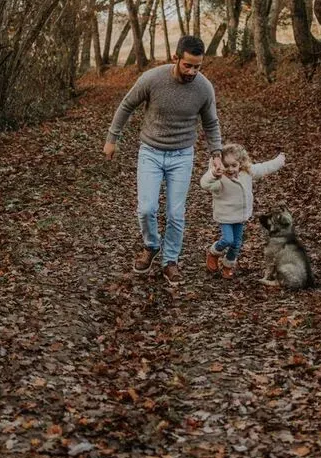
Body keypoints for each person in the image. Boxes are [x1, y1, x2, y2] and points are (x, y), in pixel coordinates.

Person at [103, 35, 223, 285]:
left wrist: (216, 154)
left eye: (197, 66)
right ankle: (151, 245)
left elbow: (211, 122)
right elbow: (126, 105)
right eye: (187, 65)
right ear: (175, 58)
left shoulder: (203, 87)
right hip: (151, 152)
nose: (192, 71)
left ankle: (170, 260)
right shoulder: (152, 79)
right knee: (146, 208)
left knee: (175, 213)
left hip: (182, 155)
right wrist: (112, 138)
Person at [200, 142, 285, 278]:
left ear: (240, 163)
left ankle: (227, 266)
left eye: (234, 165)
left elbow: (264, 168)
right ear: (220, 165)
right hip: (225, 215)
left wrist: (279, 161)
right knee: (228, 240)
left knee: (236, 244)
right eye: (226, 166)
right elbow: (204, 183)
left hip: (240, 215)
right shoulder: (219, 179)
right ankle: (213, 253)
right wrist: (213, 174)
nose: (231, 169)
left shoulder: (247, 172)